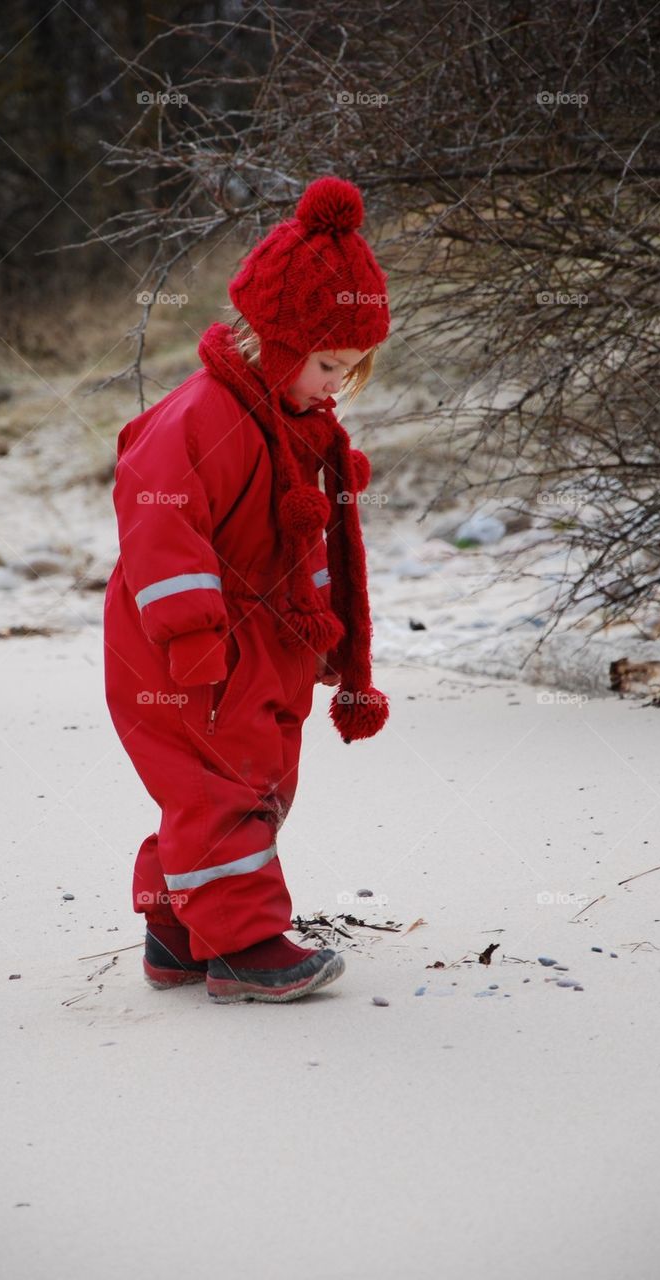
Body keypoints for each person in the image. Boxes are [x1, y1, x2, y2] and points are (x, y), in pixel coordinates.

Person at [103, 174, 391, 1003]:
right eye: (328, 363)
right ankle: (245, 944)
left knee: (251, 782)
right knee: (222, 787)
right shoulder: (203, 417)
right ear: (275, 338)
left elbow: (312, 536)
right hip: (185, 648)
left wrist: (328, 631)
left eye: (351, 368)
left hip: (264, 643)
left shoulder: (300, 426)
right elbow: (158, 520)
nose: (337, 384)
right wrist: (193, 632)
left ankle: (177, 932)